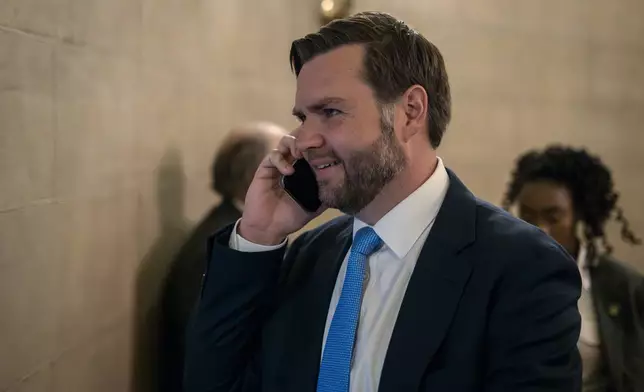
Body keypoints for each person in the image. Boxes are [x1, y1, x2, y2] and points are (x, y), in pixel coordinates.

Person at [185, 12, 582, 392]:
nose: (304, 139)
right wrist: (259, 234)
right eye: (303, 116)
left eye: (330, 111)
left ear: (410, 112)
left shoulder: (522, 268)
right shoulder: (308, 257)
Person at [502, 145, 644, 392]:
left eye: (553, 217)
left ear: (578, 216)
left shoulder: (623, 288)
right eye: (527, 216)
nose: (539, 230)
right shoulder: (493, 276)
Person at [159, 122, 286, 392]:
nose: (294, 171)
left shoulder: (235, 229)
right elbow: (204, 354)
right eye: (283, 161)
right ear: (255, 175)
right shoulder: (219, 246)